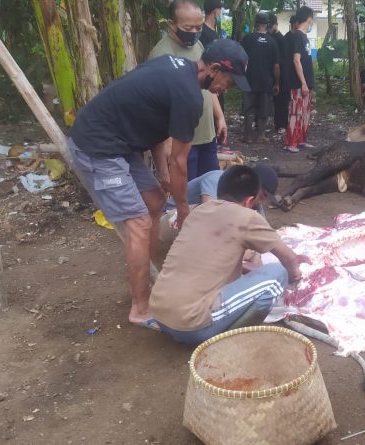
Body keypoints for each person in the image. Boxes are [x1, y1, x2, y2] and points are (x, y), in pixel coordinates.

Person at [68, 39, 251, 329]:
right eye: (228, 81)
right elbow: (180, 162)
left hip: (121, 141)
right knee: (139, 223)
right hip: (98, 145)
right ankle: (140, 308)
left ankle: (150, 274)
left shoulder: (177, 68)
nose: (226, 89)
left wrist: (163, 176)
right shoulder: (189, 97)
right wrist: (183, 209)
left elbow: (153, 125)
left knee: (154, 201)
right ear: (215, 69)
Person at [149, 165, 306, 344]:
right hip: (191, 325)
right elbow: (288, 258)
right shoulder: (247, 217)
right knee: (278, 274)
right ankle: (229, 338)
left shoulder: (198, 211)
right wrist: (295, 275)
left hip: (159, 314)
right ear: (249, 201)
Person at [149, 0, 227, 182]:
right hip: (182, 142)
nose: (194, 32)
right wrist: (166, 143)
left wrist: (219, 116)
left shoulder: (198, 46)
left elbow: (208, 84)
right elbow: (158, 107)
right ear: (172, 25)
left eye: (198, 27)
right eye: (188, 27)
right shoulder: (161, 54)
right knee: (187, 190)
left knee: (210, 185)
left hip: (207, 135)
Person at [240, 12, 280, 143]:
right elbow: (276, 67)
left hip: (249, 80)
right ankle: (261, 135)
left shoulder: (247, 39)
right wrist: (277, 83)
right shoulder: (272, 42)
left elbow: (240, 59)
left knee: (248, 109)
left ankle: (248, 136)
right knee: (264, 109)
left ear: (255, 24)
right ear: (267, 25)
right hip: (266, 82)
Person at [283, 6, 316, 153]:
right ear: (309, 19)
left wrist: (308, 84)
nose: (312, 22)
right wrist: (303, 83)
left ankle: (301, 139)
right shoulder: (297, 36)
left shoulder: (304, 37)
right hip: (298, 83)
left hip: (307, 83)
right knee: (295, 113)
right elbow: (296, 60)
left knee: (305, 114)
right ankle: (291, 142)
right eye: (312, 19)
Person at [268, 13, 290, 133]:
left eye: (271, 26)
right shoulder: (268, 37)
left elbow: (284, 60)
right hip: (270, 73)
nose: (269, 28)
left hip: (281, 73)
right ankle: (276, 124)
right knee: (274, 100)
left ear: (276, 25)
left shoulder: (282, 40)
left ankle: (282, 124)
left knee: (281, 101)